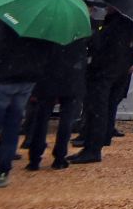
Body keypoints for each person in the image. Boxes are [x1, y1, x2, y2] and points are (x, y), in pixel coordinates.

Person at [70, 5, 133, 164]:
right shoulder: (132, 29)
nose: (106, 7)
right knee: (106, 110)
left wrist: (94, 38)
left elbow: (100, 47)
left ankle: (92, 148)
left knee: (97, 111)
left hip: (103, 73)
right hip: (117, 74)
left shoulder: (113, 26)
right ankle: (97, 142)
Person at [0, 22, 51, 187]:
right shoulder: (39, 27)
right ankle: (3, 170)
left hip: (4, 78)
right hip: (27, 79)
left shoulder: (4, 24)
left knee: (5, 122)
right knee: (12, 126)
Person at [25, 37, 87, 171]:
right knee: (66, 120)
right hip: (71, 78)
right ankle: (59, 157)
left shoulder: (47, 32)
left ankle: (35, 158)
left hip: (48, 77)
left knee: (41, 119)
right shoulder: (80, 32)